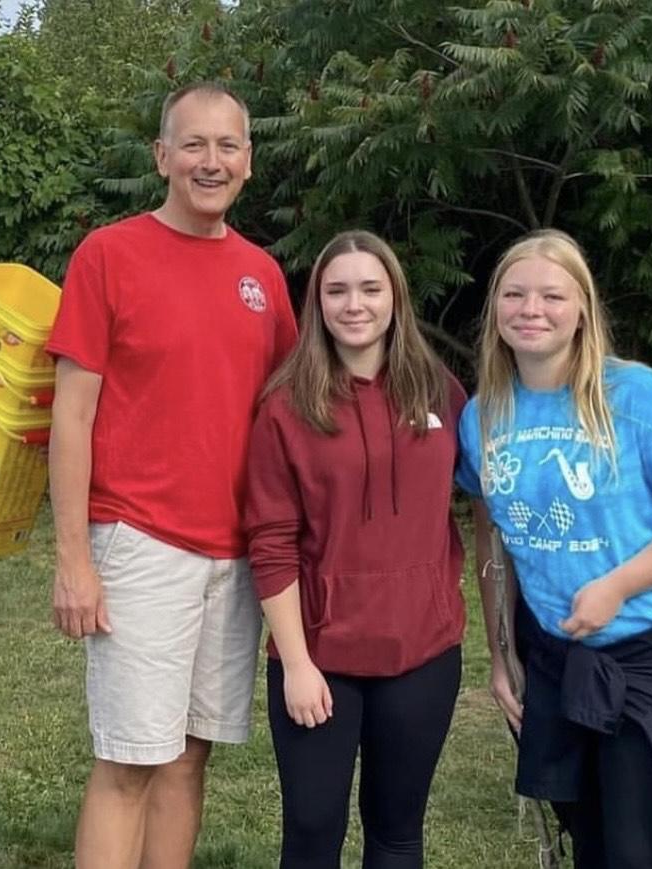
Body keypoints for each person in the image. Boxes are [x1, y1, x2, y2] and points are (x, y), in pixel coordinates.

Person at [47, 81, 298, 869]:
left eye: (227, 146)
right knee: (129, 761)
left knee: (189, 755)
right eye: (193, 145)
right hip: (140, 541)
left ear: (249, 161)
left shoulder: (263, 275)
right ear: (162, 157)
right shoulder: (109, 255)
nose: (210, 161)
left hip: (235, 554)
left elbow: (289, 415)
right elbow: (71, 416)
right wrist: (74, 559)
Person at [456, 229, 652, 868]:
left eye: (552, 295)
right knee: (589, 835)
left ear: (583, 310)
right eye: (514, 294)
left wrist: (617, 586)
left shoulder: (636, 397)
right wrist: (502, 655)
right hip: (556, 658)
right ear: (495, 308)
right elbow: (493, 543)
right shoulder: (483, 415)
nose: (531, 309)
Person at [244, 230, 467, 868]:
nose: (354, 304)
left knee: (397, 831)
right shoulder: (286, 405)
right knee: (313, 829)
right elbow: (271, 541)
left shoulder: (440, 391)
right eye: (337, 290)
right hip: (321, 657)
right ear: (317, 302)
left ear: (395, 297)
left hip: (422, 651)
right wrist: (297, 664)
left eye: (371, 288)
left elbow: (495, 489)